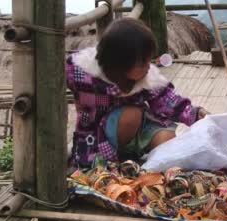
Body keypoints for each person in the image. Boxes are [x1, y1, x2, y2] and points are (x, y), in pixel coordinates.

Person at [66, 18, 209, 168]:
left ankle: (132, 152)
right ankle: (117, 156)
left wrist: (195, 113)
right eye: (143, 63)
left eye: (149, 61)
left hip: (140, 129)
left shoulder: (147, 79)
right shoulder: (83, 74)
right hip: (97, 137)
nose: (149, 67)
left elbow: (169, 101)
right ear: (120, 62)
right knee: (131, 115)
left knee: (168, 138)